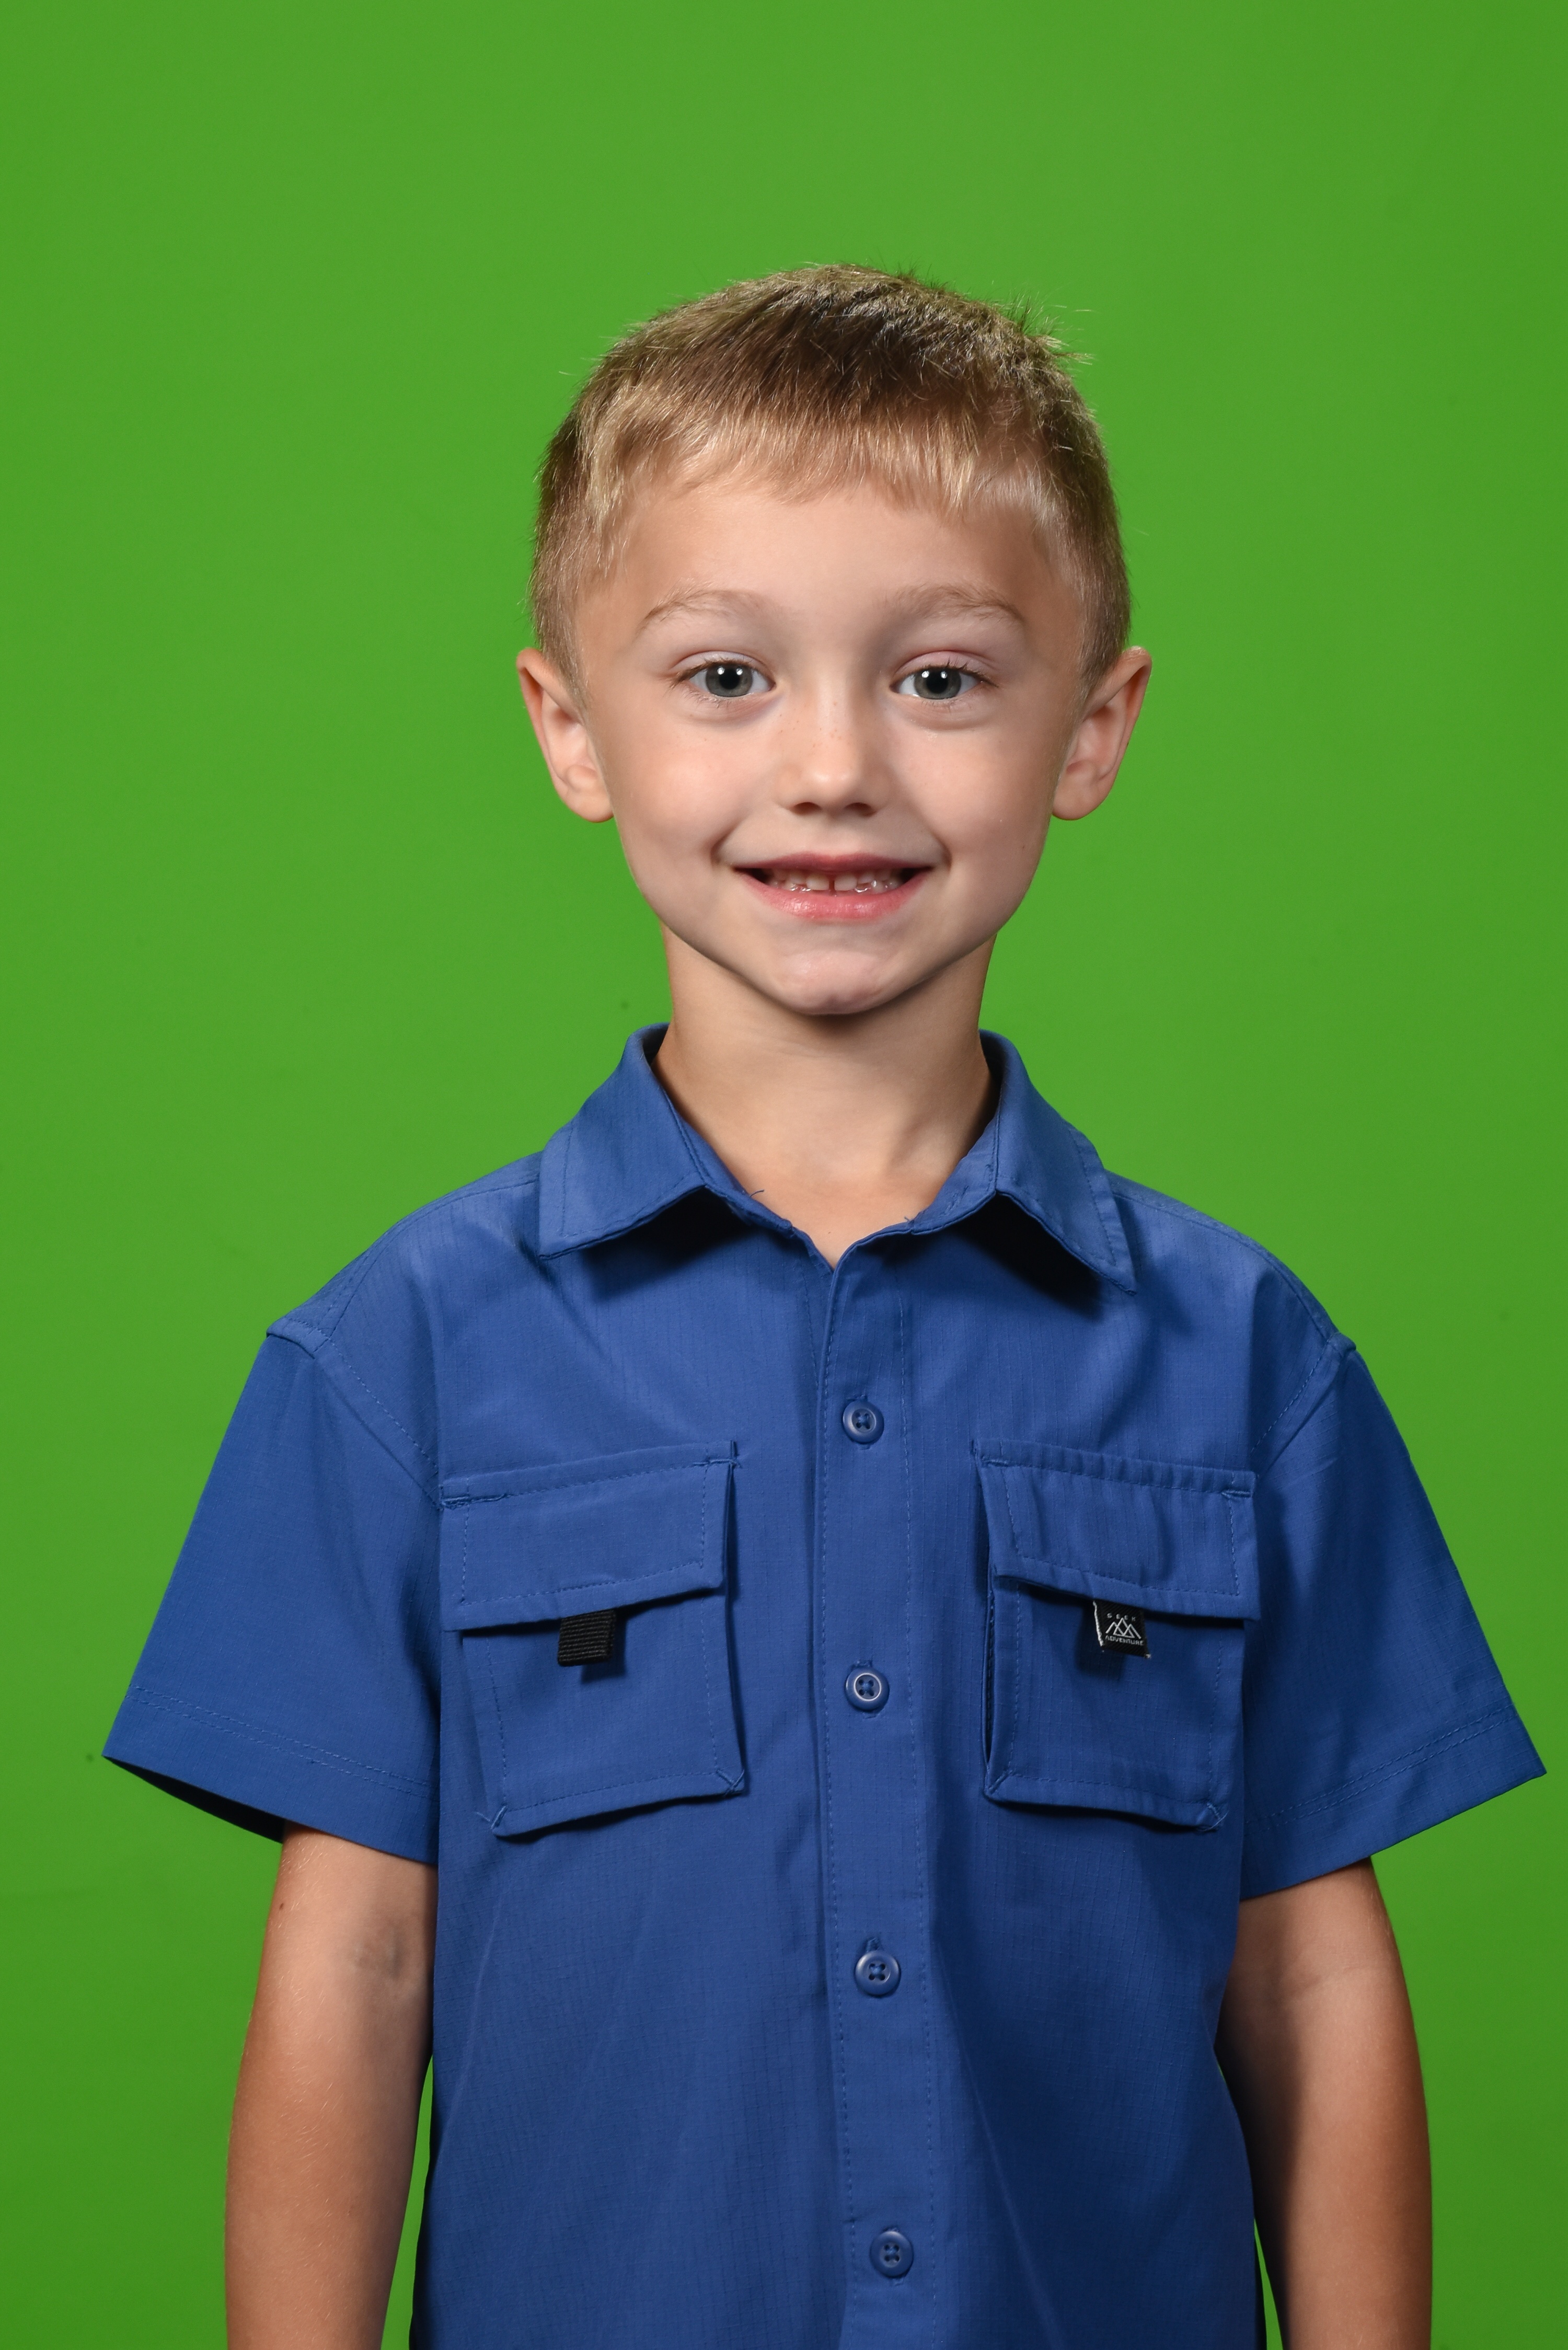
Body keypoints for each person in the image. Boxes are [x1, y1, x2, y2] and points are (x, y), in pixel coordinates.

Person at [106, 266, 1541, 2350]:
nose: (836, 764)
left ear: (1094, 726)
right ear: (571, 729)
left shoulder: (1249, 1363)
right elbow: (358, 1963)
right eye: (725, 675)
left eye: (942, 676)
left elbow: (1311, 1974)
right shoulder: (398, 1357)